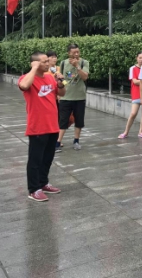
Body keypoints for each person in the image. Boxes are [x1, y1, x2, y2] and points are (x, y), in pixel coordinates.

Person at [18, 51, 65, 202]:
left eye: (47, 61)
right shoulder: (27, 78)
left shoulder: (50, 78)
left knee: (47, 158)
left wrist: (60, 83)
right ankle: (34, 189)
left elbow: (62, 93)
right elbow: (24, 86)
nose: (48, 63)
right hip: (37, 126)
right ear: (35, 63)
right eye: (44, 61)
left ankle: (43, 183)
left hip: (52, 125)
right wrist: (33, 68)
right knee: (35, 160)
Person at [57, 43, 89, 151]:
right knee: (63, 121)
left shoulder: (84, 62)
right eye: (74, 52)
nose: (76, 54)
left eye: (78, 52)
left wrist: (77, 67)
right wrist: (60, 90)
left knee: (79, 121)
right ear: (69, 53)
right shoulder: (63, 63)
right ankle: (58, 142)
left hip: (79, 97)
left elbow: (84, 77)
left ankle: (76, 141)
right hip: (65, 97)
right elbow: (63, 79)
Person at [119, 52, 142, 139]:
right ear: (136, 58)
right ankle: (126, 132)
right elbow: (134, 81)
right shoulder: (133, 68)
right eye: (140, 58)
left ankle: (141, 131)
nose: (141, 60)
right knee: (133, 113)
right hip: (136, 93)